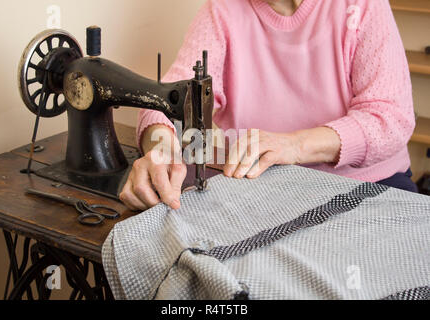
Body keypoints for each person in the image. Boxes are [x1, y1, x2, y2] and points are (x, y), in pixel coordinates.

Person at [120, 0, 417, 211]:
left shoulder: (362, 5)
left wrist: (294, 145)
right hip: (261, 187)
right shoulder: (222, 10)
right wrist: (160, 148)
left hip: (368, 185)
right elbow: (168, 99)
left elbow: (389, 120)